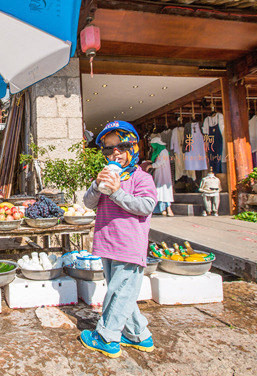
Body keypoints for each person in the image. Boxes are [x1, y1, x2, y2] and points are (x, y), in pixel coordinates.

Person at [80, 121, 157, 358]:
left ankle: (106, 337)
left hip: (128, 246)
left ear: (133, 148)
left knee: (119, 293)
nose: (115, 153)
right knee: (122, 292)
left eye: (122, 147)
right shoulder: (109, 176)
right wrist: (97, 185)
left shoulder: (141, 178)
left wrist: (117, 193)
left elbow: (146, 205)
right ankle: (137, 334)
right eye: (109, 148)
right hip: (107, 244)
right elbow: (88, 203)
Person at [146, 136, 174, 216]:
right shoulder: (159, 152)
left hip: (163, 174)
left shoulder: (163, 152)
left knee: (164, 191)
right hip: (159, 174)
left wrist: (151, 166)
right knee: (159, 191)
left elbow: (160, 162)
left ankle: (168, 208)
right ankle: (162, 210)